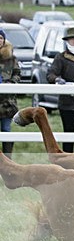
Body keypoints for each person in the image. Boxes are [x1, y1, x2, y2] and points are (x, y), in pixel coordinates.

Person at [0, 28, 21, 157]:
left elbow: (17, 74)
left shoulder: (11, 58)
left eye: (1, 38)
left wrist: (11, 83)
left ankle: (7, 160)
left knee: (7, 130)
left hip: (7, 102)